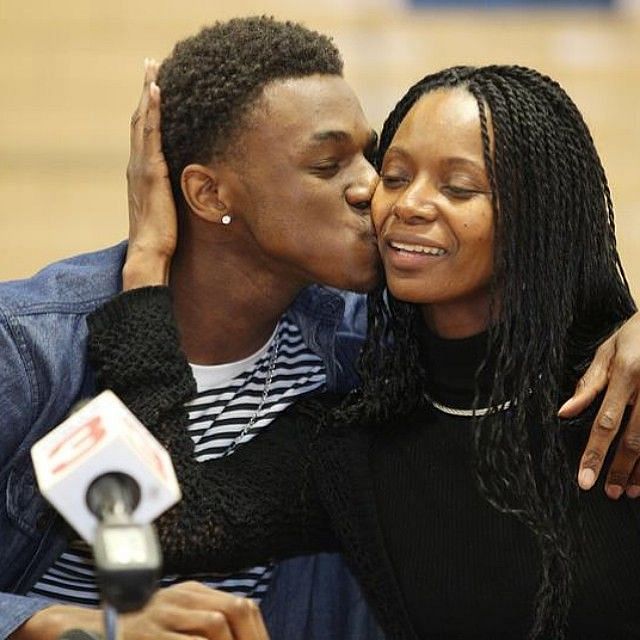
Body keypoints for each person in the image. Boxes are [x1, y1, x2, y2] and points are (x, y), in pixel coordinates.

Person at [87, 65, 640, 640]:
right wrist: (148, 267)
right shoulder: (355, 441)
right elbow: (148, 525)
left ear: (541, 218)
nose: (408, 205)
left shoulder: (621, 398)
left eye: (459, 187)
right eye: (396, 177)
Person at [1, 17, 383, 640]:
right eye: (327, 164)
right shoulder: (27, 345)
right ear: (208, 194)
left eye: (369, 154)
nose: (370, 185)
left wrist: (607, 332)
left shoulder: (360, 348)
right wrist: (64, 625)